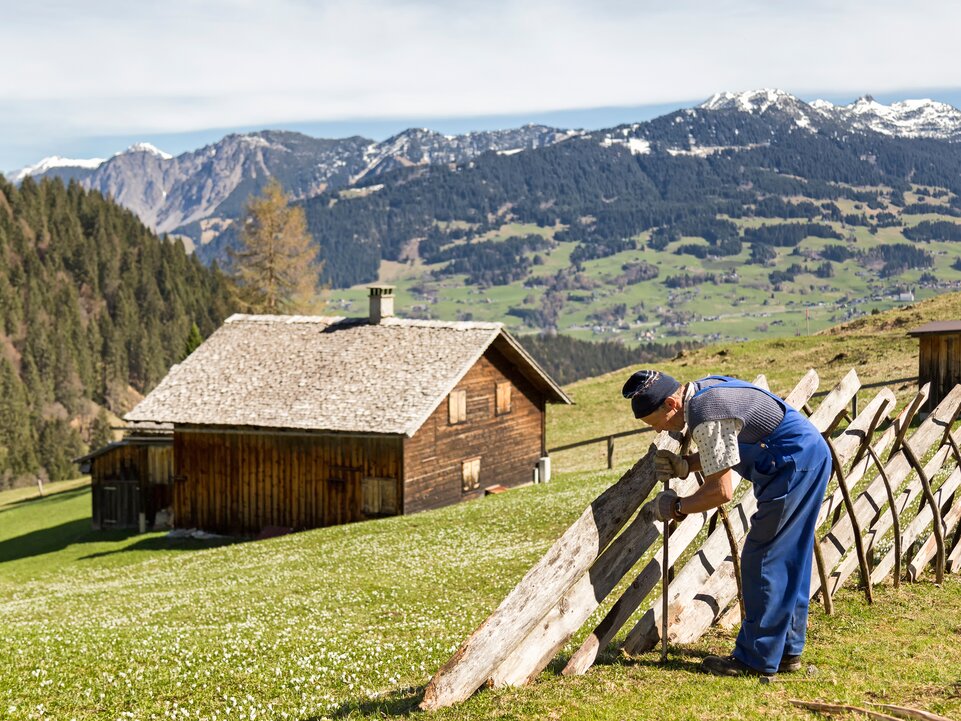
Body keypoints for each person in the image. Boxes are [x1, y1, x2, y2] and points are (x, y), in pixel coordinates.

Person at [622, 369, 831, 678]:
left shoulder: (706, 413)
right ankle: (786, 651)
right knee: (789, 560)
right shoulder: (705, 391)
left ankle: (756, 659)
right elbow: (728, 450)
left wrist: (677, 507)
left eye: (656, 423)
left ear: (670, 404)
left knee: (764, 560)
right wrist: (686, 466)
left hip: (793, 466)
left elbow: (721, 492)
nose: (658, 431)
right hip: (805, 456)